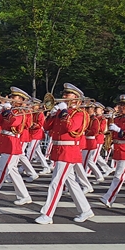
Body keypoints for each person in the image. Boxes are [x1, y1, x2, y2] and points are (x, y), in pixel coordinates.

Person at [35, 83, 94, 224]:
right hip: (60, 150)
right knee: (70, 182)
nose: (64, 96)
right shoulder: (62, 111)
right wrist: (52, 114)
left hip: (69, 151)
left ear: (76, 98)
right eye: (64, 94)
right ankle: (86, 210)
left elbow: (71, 127)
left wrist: (63, 112)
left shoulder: (80, 113)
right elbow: (47, 127)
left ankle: (48, 214)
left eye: (68, 94)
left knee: (56, 182)